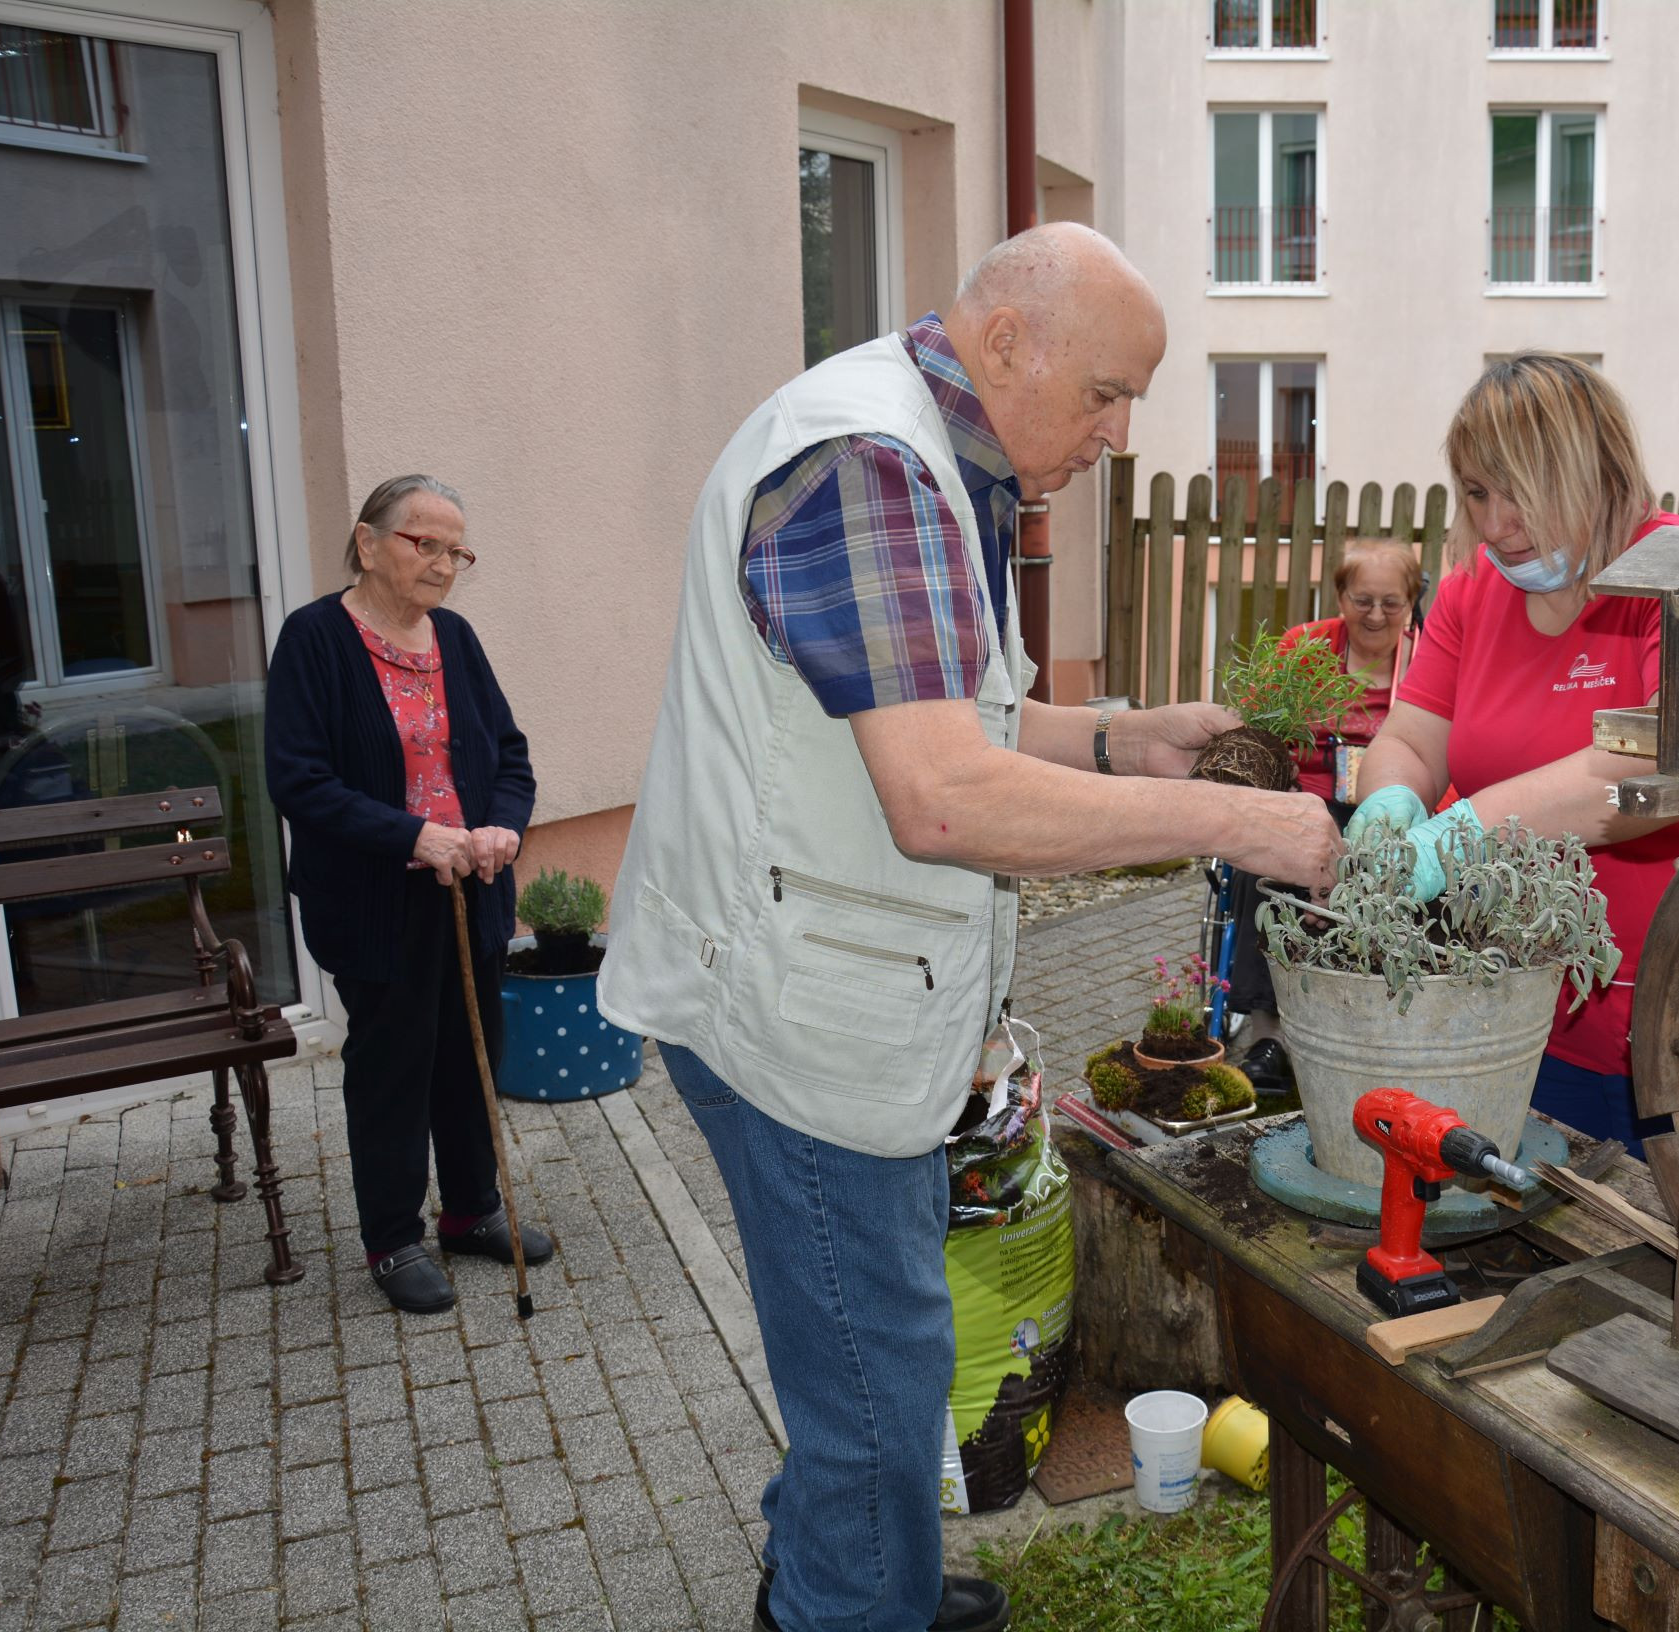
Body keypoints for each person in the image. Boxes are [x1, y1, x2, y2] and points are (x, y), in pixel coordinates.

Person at [598, 224, 1344, 1632]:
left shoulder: (930, 449)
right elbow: (942, 798)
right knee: (880, 1386)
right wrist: (1238, 824)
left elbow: (952, 710)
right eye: (1108, 393)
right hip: (792, 1019)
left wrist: (1132, 739)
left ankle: (836, 1558)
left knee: (862, 1352)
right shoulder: (871, 467)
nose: (1119, 433)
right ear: (1010, 344)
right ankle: (842, 1598)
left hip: (800, 984)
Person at [1348, 354, 1679, 1155]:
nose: (1496, 524)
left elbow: (1657, 762)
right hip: (1532, 1004)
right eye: (1477, 492)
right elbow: (1412, 734)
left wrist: (1460, 834)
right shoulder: (1470, 591)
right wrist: (1391, 802)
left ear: (1597, 473)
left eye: (1520, 490)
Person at [265, 474, 552, 1314]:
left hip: (472, 888)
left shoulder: (454, 639)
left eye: (454, 549)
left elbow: (509, 754)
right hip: (375, 898)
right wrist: (410, 835)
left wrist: (502, 825)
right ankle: (392, 1240)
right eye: (421, 542)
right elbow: (299, 779)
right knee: (393, 1067)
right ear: (367, 542)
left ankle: (469, 1213)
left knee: (470, 1054)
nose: (441, 563)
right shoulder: (315, 639)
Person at [1227, 535, 1426, 1095]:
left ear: (1410, 604)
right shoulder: (1304, 648)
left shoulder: (1428, 658)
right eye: (1363, 599)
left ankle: (1370, 1021)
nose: (1376, 614)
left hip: (1389, 811)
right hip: (1305, 801)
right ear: (1340, 596)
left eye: (1392, 602)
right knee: (1256, 866)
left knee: (1399, 871)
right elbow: (1259, 732)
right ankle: (1270, 1033)